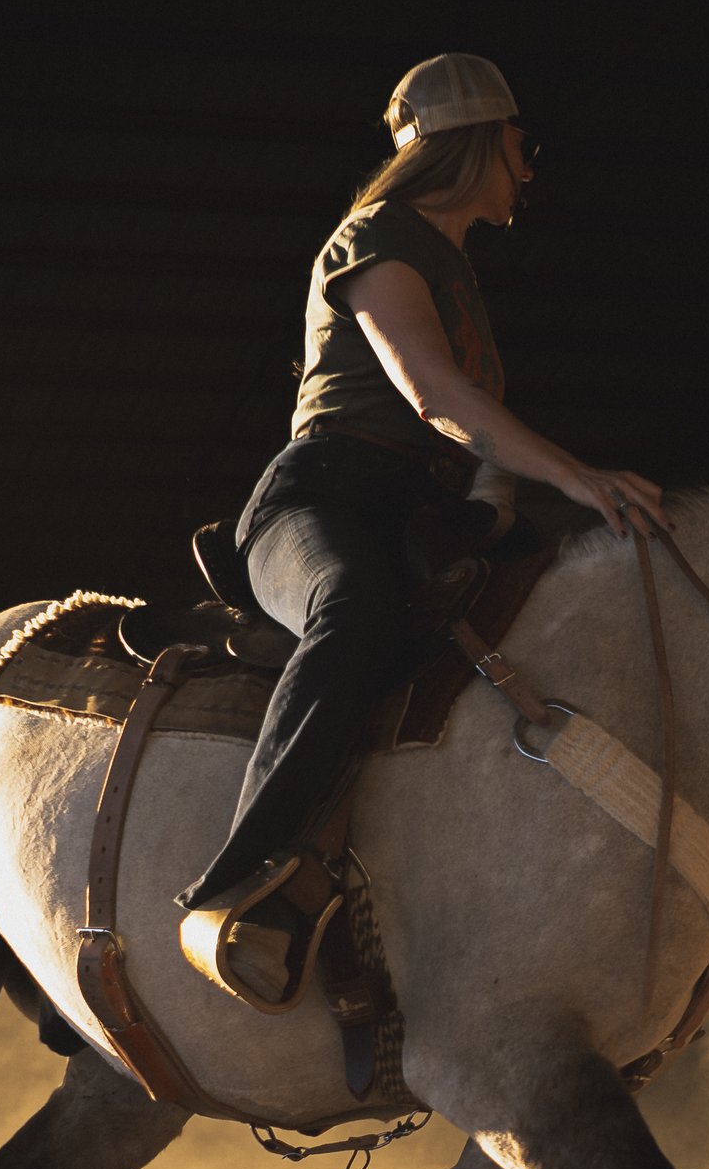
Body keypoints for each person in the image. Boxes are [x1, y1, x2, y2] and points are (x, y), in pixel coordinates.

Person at [178, 53, 672, 1007]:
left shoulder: (457, 274)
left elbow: (474, 439)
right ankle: (233, 886)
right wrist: (576, 472)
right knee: (353, 608)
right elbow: (436, 397)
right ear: (477, 142)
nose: (530, 165)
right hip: (320, 499)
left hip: (418, 510)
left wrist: (502, 515)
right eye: (521, 145)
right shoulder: (377, 237)